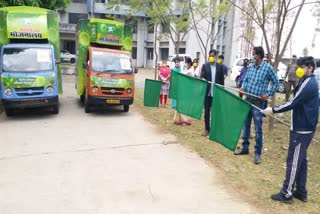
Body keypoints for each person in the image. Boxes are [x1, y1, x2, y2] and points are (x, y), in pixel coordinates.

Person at [261, 56, 319, 203]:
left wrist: (273, 110)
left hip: (302, 129)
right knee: (302, 160)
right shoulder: (305, 81)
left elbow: (293, 102)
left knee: (293, 160)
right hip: (303, 126)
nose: (298, 69)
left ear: (309, 68)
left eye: (301, 67)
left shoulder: (309, 83)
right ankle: (301, 191)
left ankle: (287, 193)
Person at [234, 46, 279, 164]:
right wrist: (243, 87)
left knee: (258, 129)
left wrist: (268, 94)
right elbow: (246, 80)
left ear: (258, 56)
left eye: (253, 54)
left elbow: (276, 83)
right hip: (248, 100)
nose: (251, 56)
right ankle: (245, 148)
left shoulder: (268, 68)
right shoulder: (250, 67)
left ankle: (257, 153)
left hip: (258, 103)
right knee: (246, 126)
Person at [200, 49, 225, 136]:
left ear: (215, 57)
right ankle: (207, 129)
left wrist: (222, 92)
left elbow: (222, 81)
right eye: (210, 56)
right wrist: (202, 78)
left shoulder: (220, 67)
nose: (211, 58)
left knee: (216, 112)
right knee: (207, 112)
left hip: (216, 93)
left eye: (212, 56)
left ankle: (215, 129)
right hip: (208, 93)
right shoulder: (205, 66)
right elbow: (202, 76)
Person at [173, 57, 194, 125]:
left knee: (184, 104)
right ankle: (179, 119)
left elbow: (188, 79)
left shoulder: (191, 70)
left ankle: (186, 120)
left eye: (186, 62)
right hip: (183, 88)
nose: (185, 64)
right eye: (185, 62)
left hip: (187, 89)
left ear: (189, 63)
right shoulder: (186, 69)